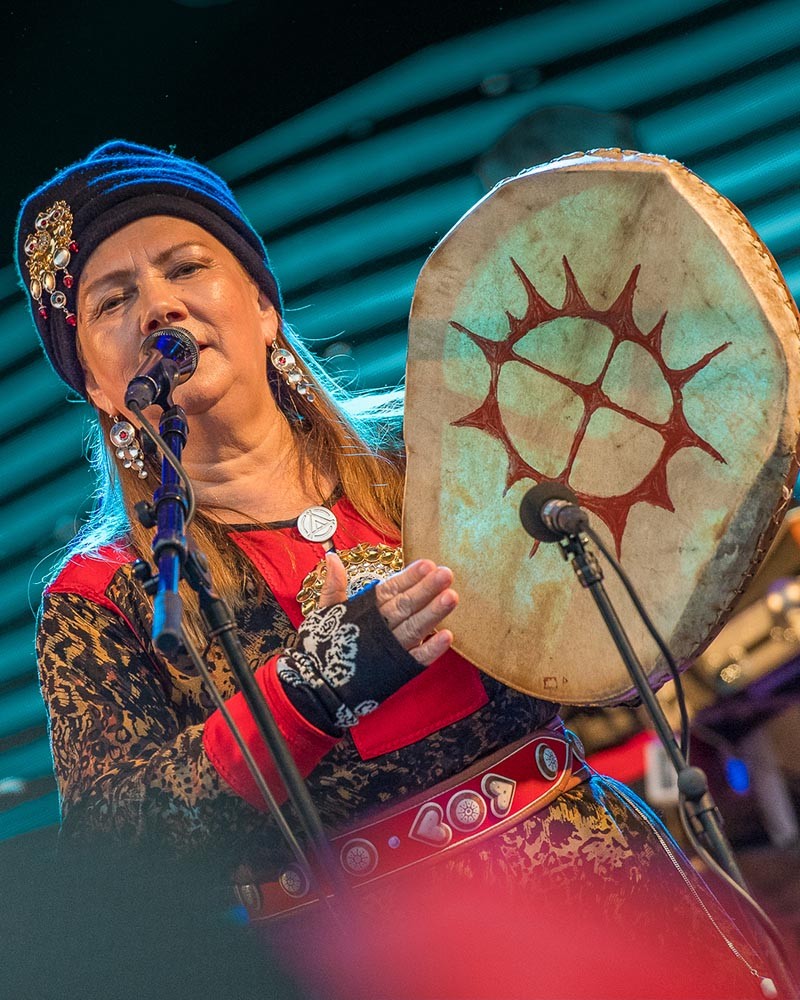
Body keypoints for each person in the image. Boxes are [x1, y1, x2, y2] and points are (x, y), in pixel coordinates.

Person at [15, 141, 794, 998]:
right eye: (111, 301)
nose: (157, 307)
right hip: (378, 967)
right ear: (92, 379)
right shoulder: (100, 596)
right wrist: (310, 688)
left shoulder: (437, 446)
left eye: (185, 267)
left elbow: (630, 574)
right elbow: (120, 850)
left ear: (263, 306)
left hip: (608, 904)